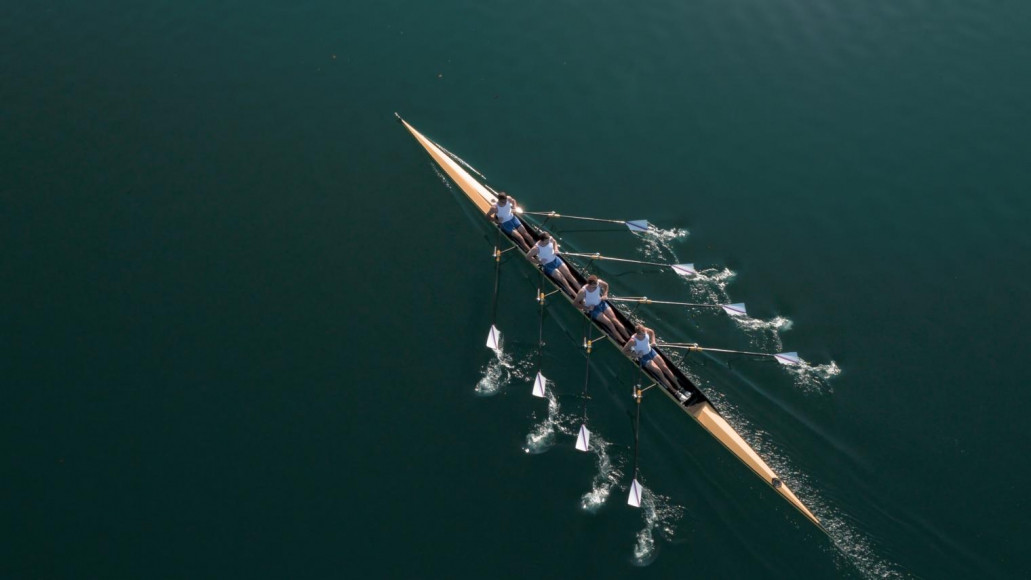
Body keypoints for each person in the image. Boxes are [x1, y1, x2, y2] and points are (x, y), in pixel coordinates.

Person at [622, 324, 680, 391]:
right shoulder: (632, 341)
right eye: (643, 334)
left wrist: (653, 341)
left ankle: (679, 387)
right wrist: (637, 355)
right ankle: (675, 392)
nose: (645, 335)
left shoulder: (645, 330)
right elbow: (624, 351)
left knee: (665, 368)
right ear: (638, 334)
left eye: (645, 333)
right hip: (643, 357)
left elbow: (652, 332)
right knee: (659, 372)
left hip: (651, 352)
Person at [575, 275, 630, 342]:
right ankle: (623, 342)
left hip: (601, 303)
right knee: (609, 323)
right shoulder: (583, 292)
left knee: (615, 320)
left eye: (597, 283)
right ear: (590, 285)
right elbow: (575, 303)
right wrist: (587, 308)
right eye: (595, 285)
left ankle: (629, 338)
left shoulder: (599, 282)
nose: (597, 285)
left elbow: (606, 285)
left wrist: (605, 294)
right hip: (593, 309)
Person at [526, 232, 579, 297]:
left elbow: (554, 241)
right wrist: (539, 262)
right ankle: (577, 297)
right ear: (542, 241)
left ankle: (582, 292)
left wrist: (556, 249)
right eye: (547, 241)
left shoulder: (549, 238)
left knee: (569, 276)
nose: (549, 241)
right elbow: (528, 257)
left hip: (556, 260)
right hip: (548, 266)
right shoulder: (536, 248)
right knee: (563, 280)